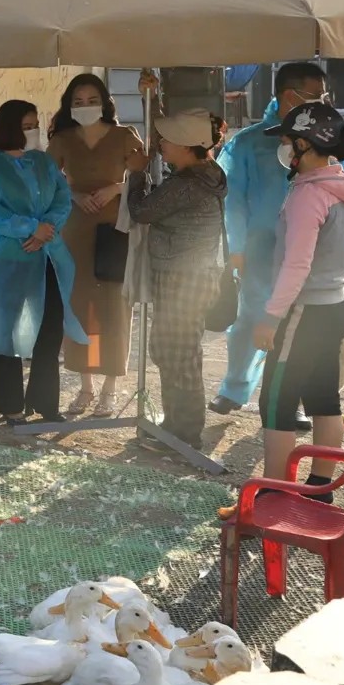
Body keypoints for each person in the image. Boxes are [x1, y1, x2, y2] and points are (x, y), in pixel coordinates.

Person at [214, 62, 344, 416]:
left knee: (302, 333)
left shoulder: (329, 137)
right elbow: (233, 202)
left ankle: (294, 400)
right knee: (252, 321)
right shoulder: (248, 144)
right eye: (317, 96)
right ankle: (235, 387)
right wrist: (236, 248)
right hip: (260, 252)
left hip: (315, 253)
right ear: (290, 96)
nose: (324, 102)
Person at [253, 102, 344, 487]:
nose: (283, 149)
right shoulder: (341, 188)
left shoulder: (309, 195)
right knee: (323, 398)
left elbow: (297, 265)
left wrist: (271, 316)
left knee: (276, 403)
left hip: (305, 312)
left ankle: (272, 494)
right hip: (336, 306)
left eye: (287, 141)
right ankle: (320, 490)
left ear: (304, 144)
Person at [0, 99, 87, 423]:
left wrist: (46, 229)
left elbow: (62, 198)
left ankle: (46, 403)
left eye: (36, 124)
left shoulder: (43, 162)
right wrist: (31, 227)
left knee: (50, 327)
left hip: (48, 254)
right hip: (10, 256)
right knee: (5, 328)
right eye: (27, 126)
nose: (34, 131)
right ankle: (9, 405)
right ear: (9, 128)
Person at [123, 110, 227, 449]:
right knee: (178, 352)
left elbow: (142, 211)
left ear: (187, 146)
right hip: (192, 275)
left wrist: (137, 174)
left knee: (176, 354)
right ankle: (178, 426)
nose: (161, 144)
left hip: (182, 277)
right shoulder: (207, 174)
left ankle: (183, 435)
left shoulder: (186, 185)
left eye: (168, 140)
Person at [46, 73, 148, 417]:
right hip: (74, 230)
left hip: (114, 228)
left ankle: (110, 388)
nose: (85, 107)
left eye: (92, 100)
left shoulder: (124, 136)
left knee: (114, 307)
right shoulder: (63, 139)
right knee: (79, 305)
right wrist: (73, 193)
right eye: (78, 101)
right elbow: (48, 179)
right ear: (68, 106)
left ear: (104, 102)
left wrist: (114, 189)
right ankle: (86, 387)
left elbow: (142, 172)